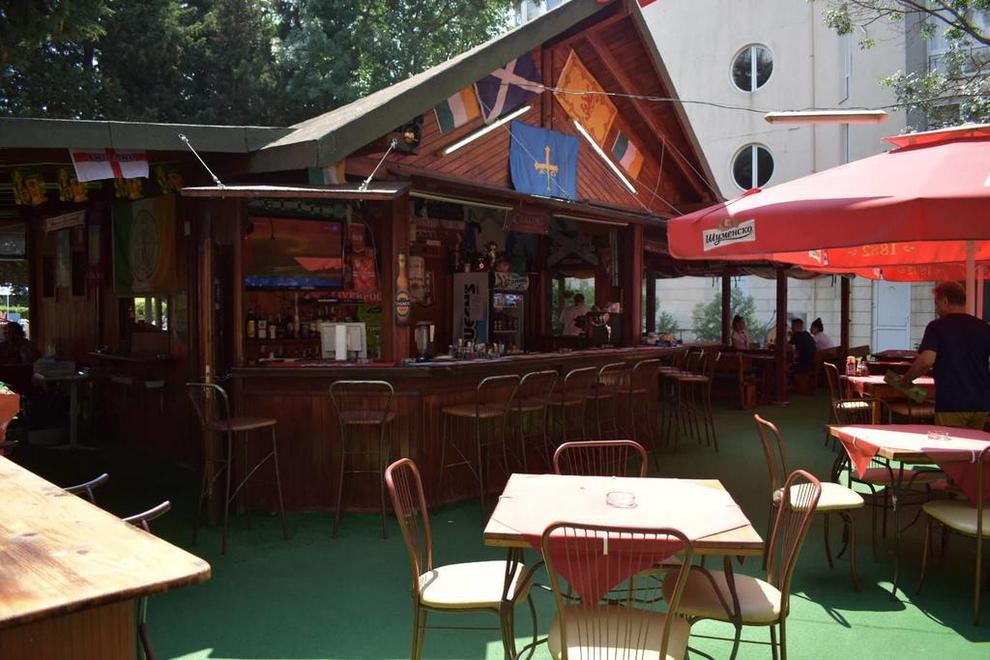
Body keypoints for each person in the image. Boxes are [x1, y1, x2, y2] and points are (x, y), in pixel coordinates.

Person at [900, 281, 990, 429]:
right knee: (973, 443)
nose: (936, 310)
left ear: (945, 301)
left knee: (950, 443)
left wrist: (906, 379)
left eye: (937, 304)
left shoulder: (937, 327)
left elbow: (926, 361)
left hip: (952, 402)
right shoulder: (983, 327)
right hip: (981, 404)